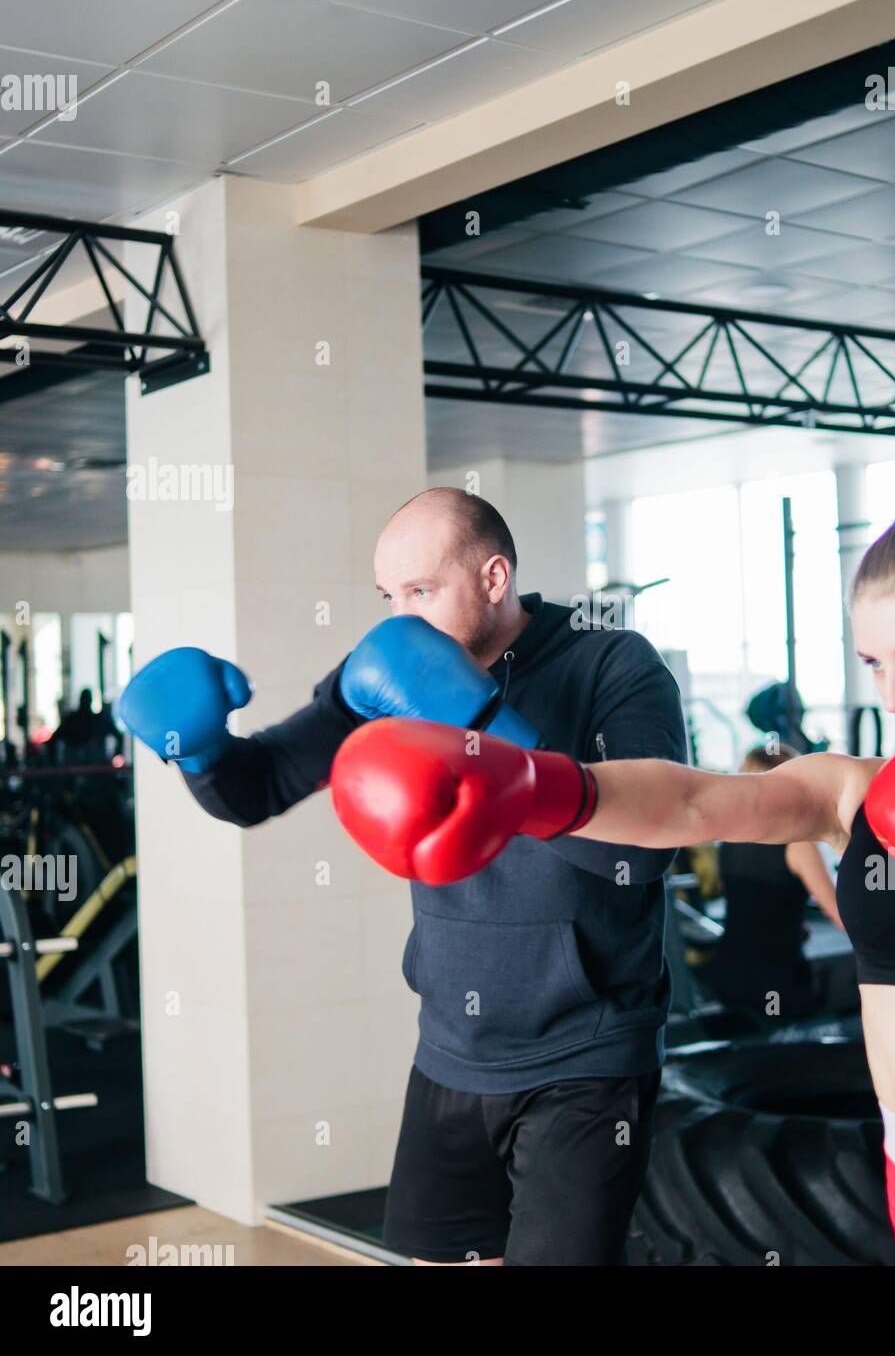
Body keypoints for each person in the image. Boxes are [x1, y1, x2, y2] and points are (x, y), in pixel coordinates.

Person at [333, 488, 895, 1267]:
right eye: (873, 664)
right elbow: (699, 801)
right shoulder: (860, 790)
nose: (893, 694)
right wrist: (533, 782)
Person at [118, 487, 687, 1266]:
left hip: (585, 1057)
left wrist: (485, 731)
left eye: (421, 591)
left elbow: (644, 853)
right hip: (450, 1049)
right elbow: (261, 786)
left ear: (493, 578)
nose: (401, 618)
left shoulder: (614, 663)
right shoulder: (386, 671)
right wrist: (202, 750)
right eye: (389, 596)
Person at [702, 743, 839, 1023]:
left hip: (729, 971)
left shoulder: (730, 838)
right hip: (776, 981)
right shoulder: (798, 843)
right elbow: (840, 914)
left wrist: (790, 925)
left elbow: (754, 900)